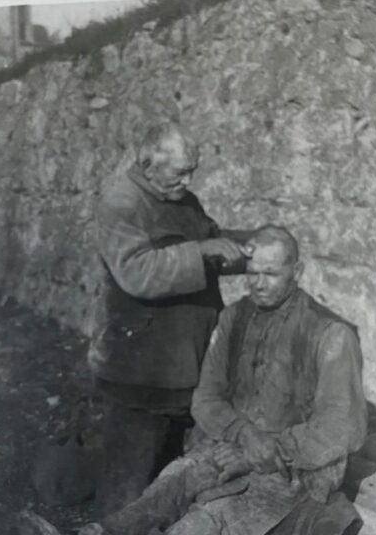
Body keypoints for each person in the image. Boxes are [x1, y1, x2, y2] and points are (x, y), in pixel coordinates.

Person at [19, 225, 367, 535]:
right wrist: (239, 434)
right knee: (175, 479)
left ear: (297, 272)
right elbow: (206, 398)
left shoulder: (330, 335)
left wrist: (261, 452)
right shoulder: (234, 318)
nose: (259, 283)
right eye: (252, 272)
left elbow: (343, 428)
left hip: (293, 465)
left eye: (271, 274)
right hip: (231, 444)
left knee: (217, 518)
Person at [87, 120, 253, 514]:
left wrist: (252, 245)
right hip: (140, 367)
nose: (189, 179)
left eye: (192, 169)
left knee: (172, 472)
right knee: (128, 476)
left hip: (185, 362)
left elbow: (211, 243)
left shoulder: (183, 201)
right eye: (181, 171)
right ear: (148, 165)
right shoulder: (121, 204)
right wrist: (204, 251)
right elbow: (138, 272)